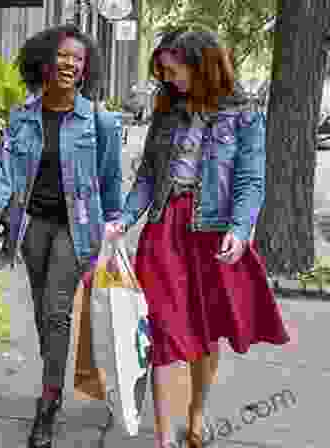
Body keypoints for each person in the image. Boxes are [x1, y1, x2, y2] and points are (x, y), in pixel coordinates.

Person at [103, 30, 290, 448]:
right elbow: (149, 176)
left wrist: (241, 230)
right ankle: (164, 439)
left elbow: (250, 180)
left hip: (214, 233)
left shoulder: (243, 114)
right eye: (163, 72)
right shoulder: (168, 109)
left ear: (201, 65)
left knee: (206, 333)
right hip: (165, 227)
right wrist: (125, 218)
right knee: (163, 330)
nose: (167, 79)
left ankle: (197, 415)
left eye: (174, 70)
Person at [0, 24, 123, 448]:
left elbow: (110, 181)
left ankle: (48, 402)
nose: (70, 63)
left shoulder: (100, 121)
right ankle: (53, 380)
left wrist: (111, 232)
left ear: (86, 69)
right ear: (45, 62)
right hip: (33, 227)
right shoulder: (22, 117)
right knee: (42, 313)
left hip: (78, 227)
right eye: (63, 55)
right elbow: (7, 172)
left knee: (55, 312)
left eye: (79, 58)